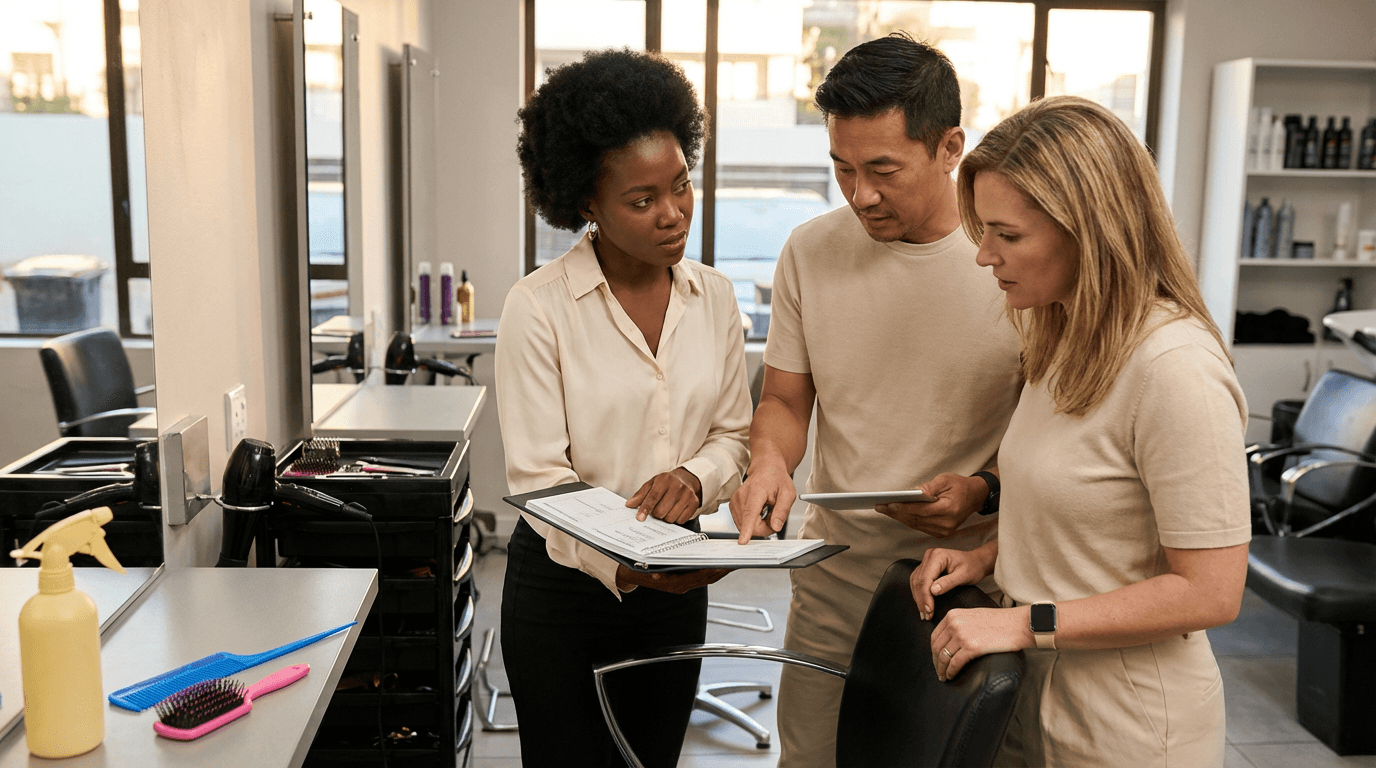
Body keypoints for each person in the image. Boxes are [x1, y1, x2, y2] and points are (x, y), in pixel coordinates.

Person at [911, 95, 1251, 767]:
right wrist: (989, 561)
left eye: (1006, 235)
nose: (983, 256)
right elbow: (1079, 503)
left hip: (1127, 725)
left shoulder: (1174, 368)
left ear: (1088, 231)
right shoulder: (1062, 334)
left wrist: (1023, 620)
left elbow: (1211, 591)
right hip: (1032, 699)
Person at [727, 33, 1023, 767]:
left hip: (974, 579)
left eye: (883, 169)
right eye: (842, 168)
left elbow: (1064, 438)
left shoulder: (1016, 262)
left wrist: (982, 492)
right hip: (836, 576)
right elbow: (786, 402)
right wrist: (769, 465)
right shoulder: (810, 250)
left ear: (950, 146)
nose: (860, 194)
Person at [496, 49, 752, 768]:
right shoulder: (539, 308)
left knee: (654, 759)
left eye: (681, 186)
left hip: (677, 580)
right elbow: (543, 481)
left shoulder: (715, 298)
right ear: (587, 204)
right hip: (565, 592)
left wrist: (697, 480)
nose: (672, 214)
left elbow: (735, 435)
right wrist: (626, 564)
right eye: (642, 201)